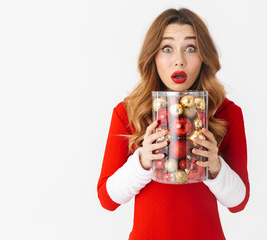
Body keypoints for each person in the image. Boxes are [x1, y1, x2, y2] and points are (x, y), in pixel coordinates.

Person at [97, 8, 249, 240]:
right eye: (167, 48)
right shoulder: (128, 113)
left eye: (191, 48)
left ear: (204, 57)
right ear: (153, 56)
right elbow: (107, 200)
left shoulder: (226, 113)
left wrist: (215, 166)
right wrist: (143, 161)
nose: (179, 60)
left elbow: (239, 203)